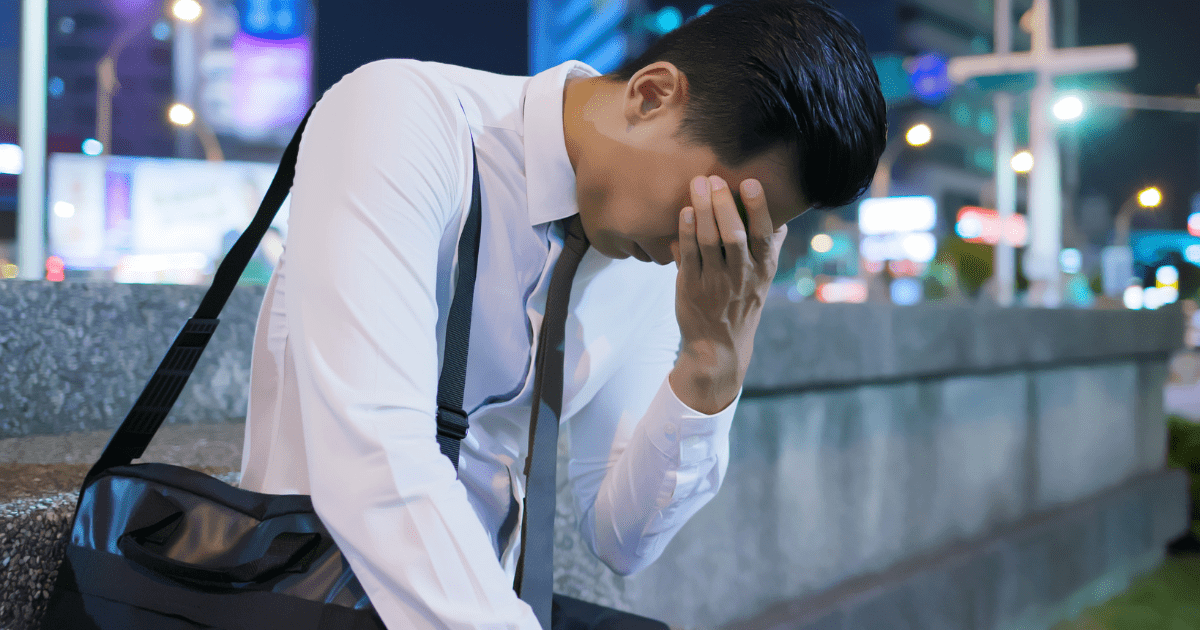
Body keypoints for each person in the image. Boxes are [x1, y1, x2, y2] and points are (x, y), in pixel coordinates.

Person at [238, 1, 886, 627]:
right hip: (310, 597)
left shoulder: (652, 250)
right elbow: (372, 455)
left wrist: (713, 362)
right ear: (652, 96)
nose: (709, 242)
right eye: (718, 208)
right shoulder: (403, 118)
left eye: (747, 232)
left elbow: (622, 538)